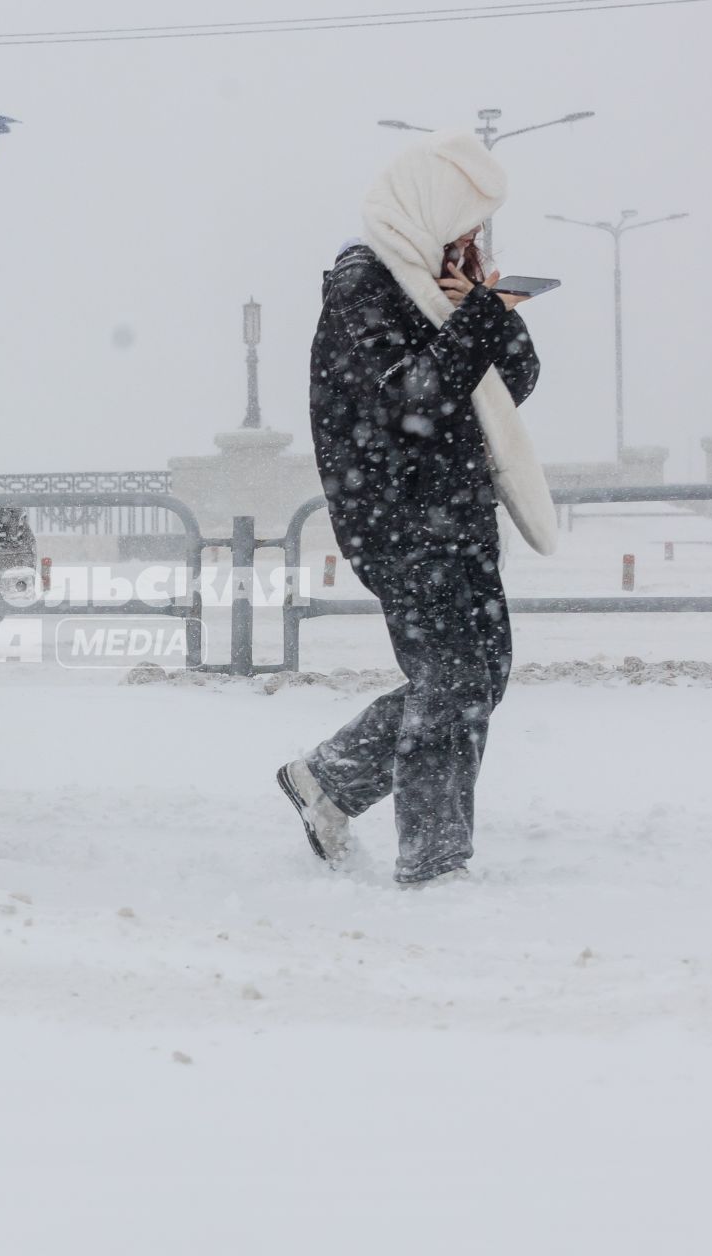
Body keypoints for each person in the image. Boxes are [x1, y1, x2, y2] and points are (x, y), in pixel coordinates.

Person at [277, 131, 542, 887]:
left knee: (480, 672)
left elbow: (512, 384)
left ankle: (329, 781)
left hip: (456, 512)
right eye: (465, 221)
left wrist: (487, 311)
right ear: (429, 209)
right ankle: (432, 863)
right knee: (455, 679)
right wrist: (478, 317)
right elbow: (409, 401)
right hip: (399, 519)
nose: (472, 238)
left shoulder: (436, 286)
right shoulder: (365, 285)